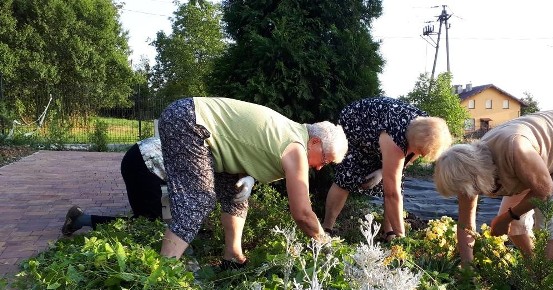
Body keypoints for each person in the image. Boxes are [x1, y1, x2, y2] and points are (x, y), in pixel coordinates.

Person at [157, 97, 349, 265]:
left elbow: (255, 146)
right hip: (189, 121)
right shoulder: (297, 149)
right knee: (198, 201)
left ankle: (232, 257)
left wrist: (249, 177)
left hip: (190, 117)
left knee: (236, 196)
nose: (320, 167)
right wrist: (323, 241)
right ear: (315, 142)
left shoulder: (294, 133)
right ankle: (162, 277)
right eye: (325, 160)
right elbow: (303, 214)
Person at [433, 108, 553, 264]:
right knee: (515, 227)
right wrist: (467, 268)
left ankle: (543, 284)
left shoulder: (515, 150)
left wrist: (506, 218)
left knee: (550, 213)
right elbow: (466, 224)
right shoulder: (466, 173)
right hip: (541, 156)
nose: (464, 195)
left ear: (477, 177)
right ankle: (534, 269)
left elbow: (545, 191)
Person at [321, 96, 452, 241]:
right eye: (419, 152)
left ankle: (388, 233)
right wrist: (403, 239)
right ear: (409, 141)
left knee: (395, 181)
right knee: (347, 176)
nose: (419, 156)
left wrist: (382, 172)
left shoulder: (429, 128)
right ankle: (326, 229)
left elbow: (412, 155)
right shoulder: (396, 140)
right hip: (357, 123)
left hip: (382, 128)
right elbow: (391, 194)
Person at [61, 137, 168, 235]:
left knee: (147, 220)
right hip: (143, 163)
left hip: (142, 156)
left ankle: (80, 219)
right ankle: (79, 220)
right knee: (148, 224)